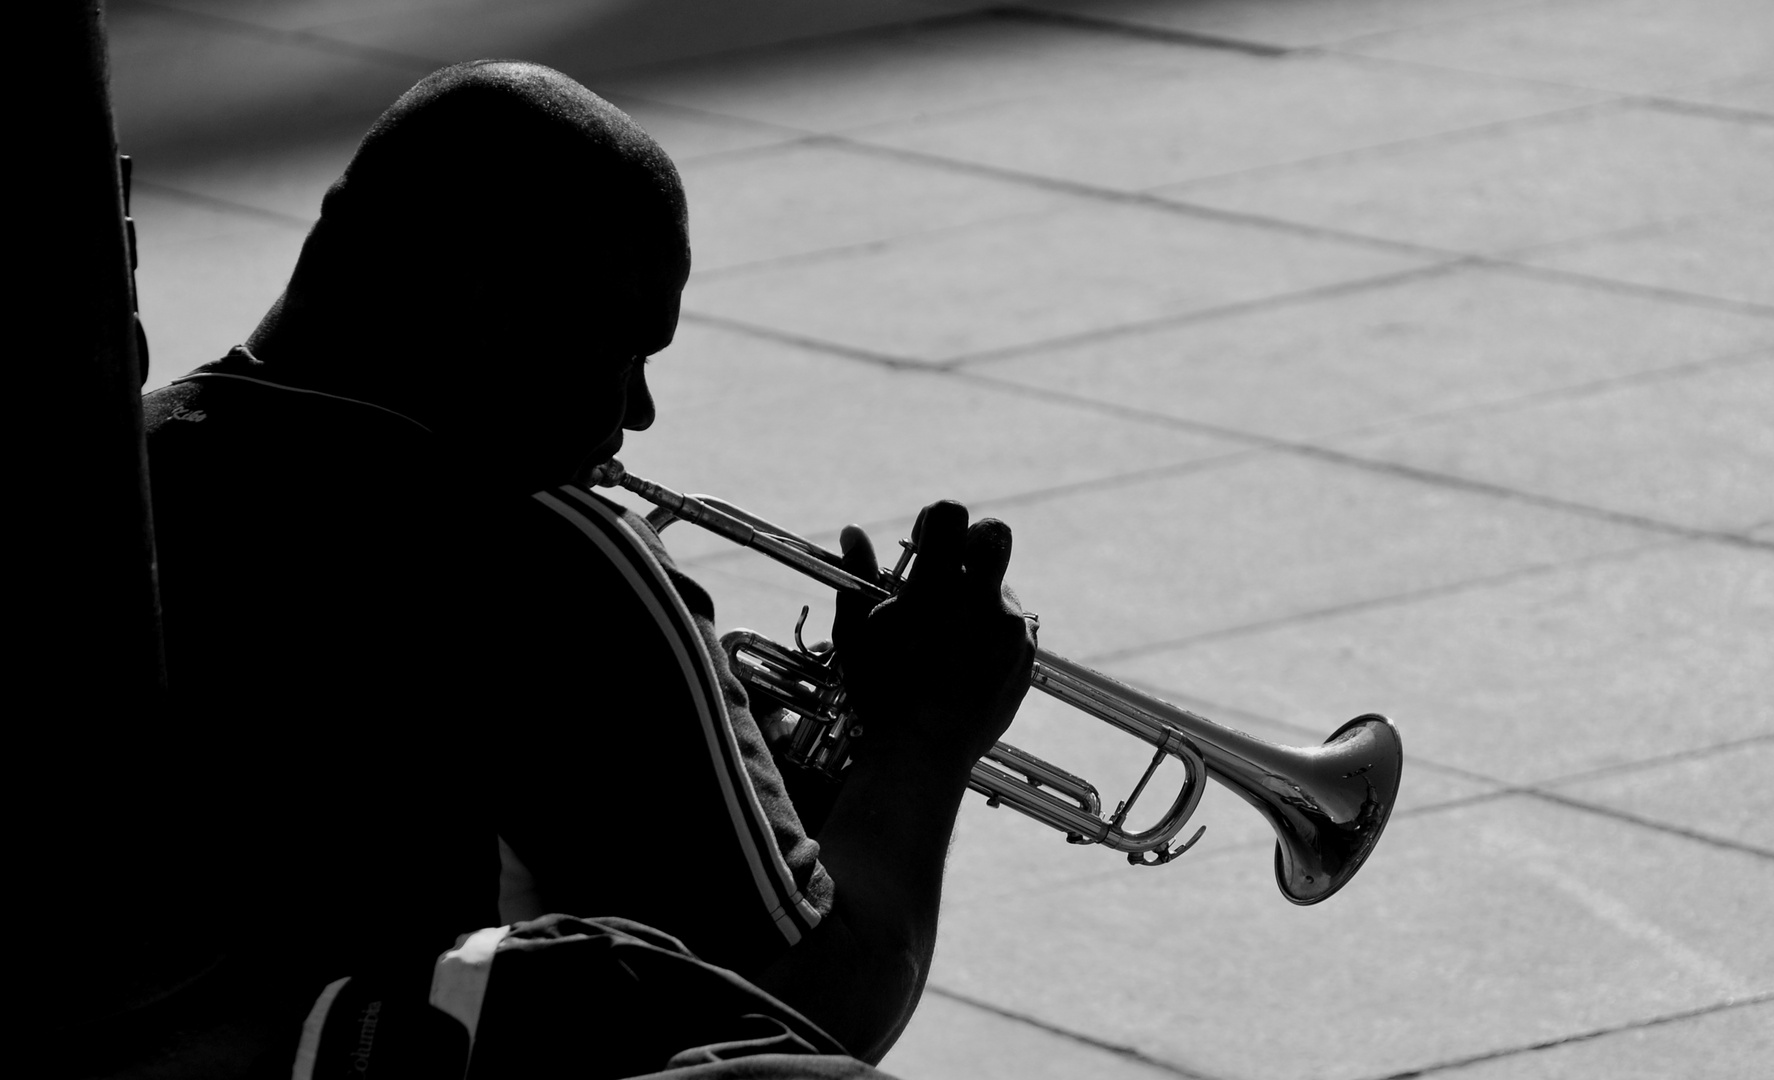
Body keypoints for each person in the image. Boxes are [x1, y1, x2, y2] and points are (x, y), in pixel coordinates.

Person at [98, 59, 1035, 1078]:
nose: (636, 411)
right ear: (494, 302)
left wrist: (771, 773)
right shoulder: (537, 543)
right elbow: (824, 997)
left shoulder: (129, 472)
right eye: (626, 346)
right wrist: (923, 741)